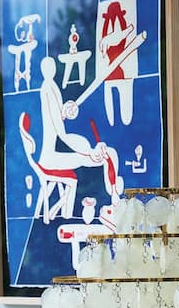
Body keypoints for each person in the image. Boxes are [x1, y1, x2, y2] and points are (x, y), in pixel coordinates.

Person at [38, 56, 122, 200]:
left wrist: (65, 110)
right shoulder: (48, 89)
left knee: (107, 154)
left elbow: (59, 117)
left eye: (52, 67)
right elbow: (62, 134)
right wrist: (89, 152)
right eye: (49, 67)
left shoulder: (50, 87)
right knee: (101, 157)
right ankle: (114, 195)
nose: (52, 69)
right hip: (50, 158)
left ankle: (114, 193)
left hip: (52, 155)